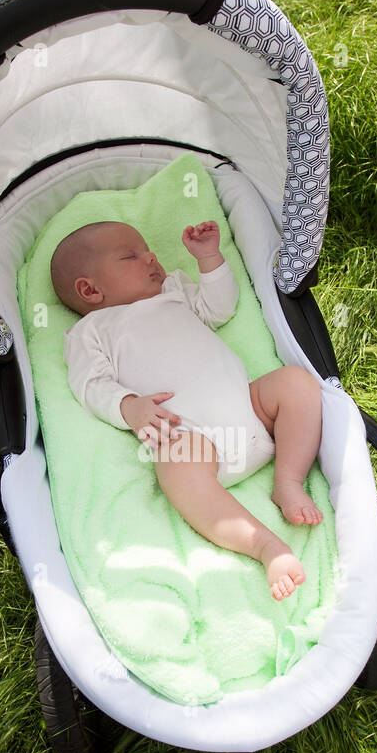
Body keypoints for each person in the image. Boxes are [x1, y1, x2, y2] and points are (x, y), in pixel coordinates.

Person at [52, 219, 323, 600]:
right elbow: (90, 385)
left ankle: (288, 481)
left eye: (150, 251)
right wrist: (129, 407)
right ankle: (265, 545)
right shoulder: (91, 331)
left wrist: (210, 260)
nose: (151, 259)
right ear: (89, 289)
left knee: (296, 383)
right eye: (131, 255)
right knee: (174, 465)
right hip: (193, 439)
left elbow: (219, 308)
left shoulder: (173, 290)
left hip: (252, 409)